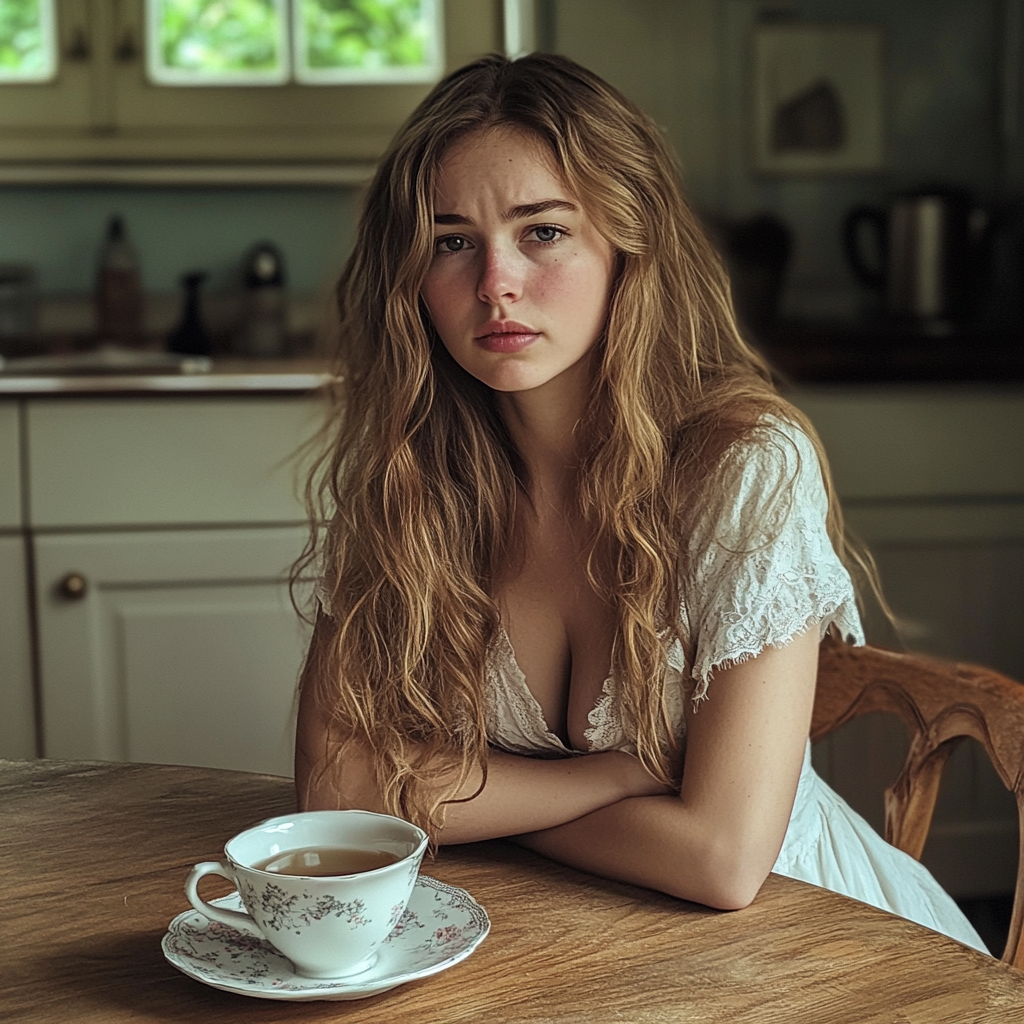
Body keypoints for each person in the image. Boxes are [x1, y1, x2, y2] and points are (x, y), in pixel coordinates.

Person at [295, 52, 986, 953]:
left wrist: (462, 805)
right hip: (576, 936)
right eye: (451, 240)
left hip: (814, 945)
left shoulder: (744, 469)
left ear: (628, 241)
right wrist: (614, 780)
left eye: (542, 231)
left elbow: (723, 860)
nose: (496, 281)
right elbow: (331, 790)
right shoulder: (410, 475)